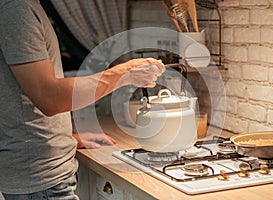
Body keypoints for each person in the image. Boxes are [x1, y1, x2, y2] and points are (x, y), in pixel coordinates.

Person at [0, 0, 165, 199]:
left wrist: (66, 139)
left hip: (41, 174)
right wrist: (125, 73)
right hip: (40, 180)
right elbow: (48, 97)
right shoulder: (16, 8)